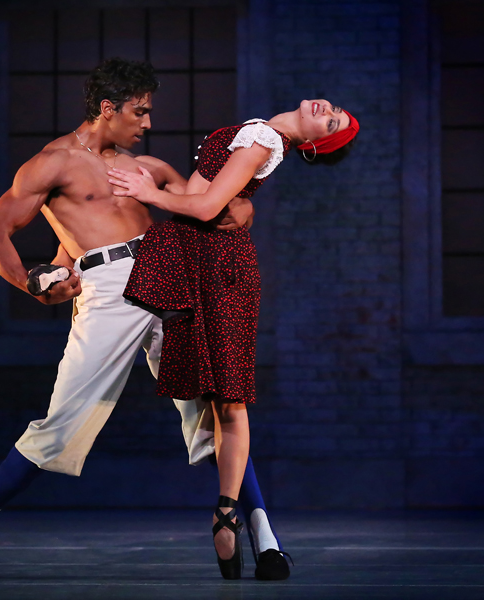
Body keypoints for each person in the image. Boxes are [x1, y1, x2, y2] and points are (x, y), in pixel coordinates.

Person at [0, 57, 266, 580]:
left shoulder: (141, 166)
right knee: (61, 425)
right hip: (107, 293)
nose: (147, 123)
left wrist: (243, 210)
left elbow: (209, 203)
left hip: (165, 275)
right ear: (108, 108)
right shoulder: (51, 163)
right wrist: (35, 283)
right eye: (139, 112)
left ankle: (261, 534)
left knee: (215, 410)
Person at [109, 99, 359, 579]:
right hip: (206, 260)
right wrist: (166, 176)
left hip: (222, 268)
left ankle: (227, 515)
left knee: (231, 398)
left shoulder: (265, 139)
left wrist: (151, 192)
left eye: (331, 124)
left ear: (314, 145)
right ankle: (235, 519)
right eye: (335, 111)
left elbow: (204, 206)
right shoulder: (262, 132)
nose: (328, 110)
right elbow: (211, 195)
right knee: (219, 399)